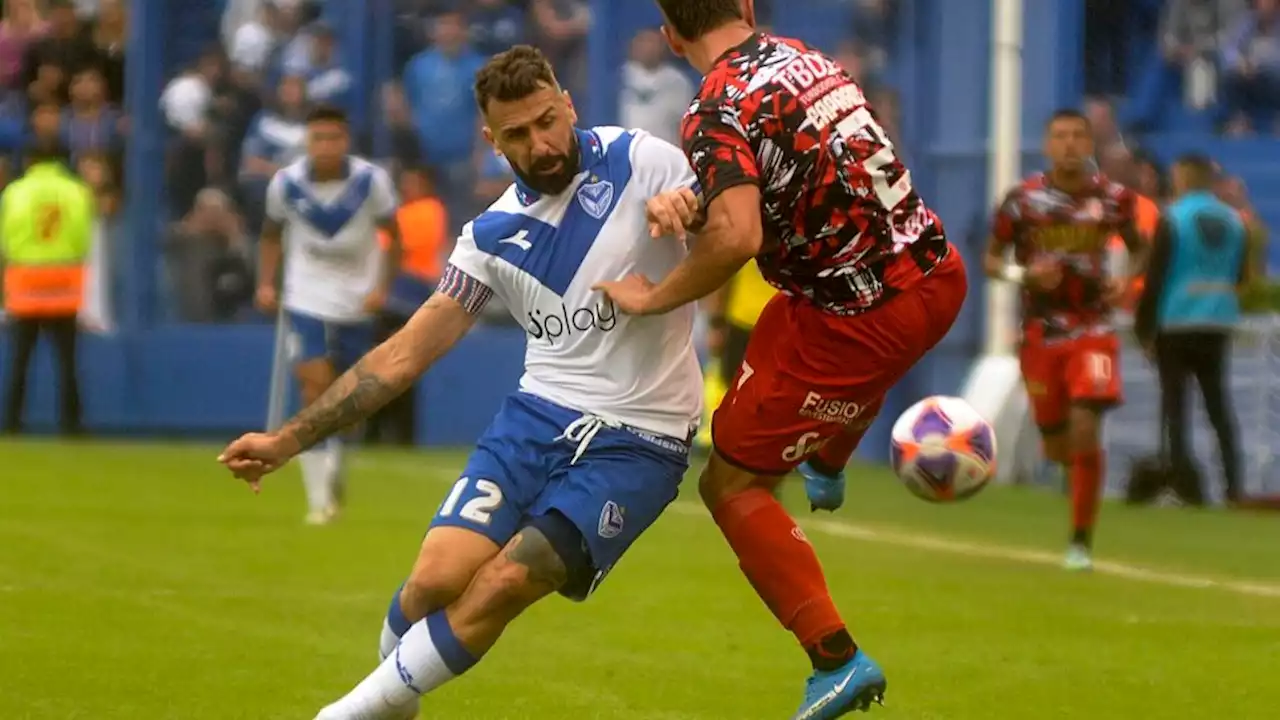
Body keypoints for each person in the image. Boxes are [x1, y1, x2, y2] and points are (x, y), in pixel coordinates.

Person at [217, 46, 703, 719]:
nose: (539, 144)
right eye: (517, 135)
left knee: (506, 580)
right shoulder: (490, 235)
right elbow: (404, 355)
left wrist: (693, 206)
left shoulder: (644, 158)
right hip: (538, 416)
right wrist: (288, 440)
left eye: (546, 121)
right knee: (433, 582)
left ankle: (347, 713)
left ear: (567, 103)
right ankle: (396, 705)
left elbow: (732, 219)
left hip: (641, 438)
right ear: (490, 140)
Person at [598, 3, 968, 717]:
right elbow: (796, 177)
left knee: (731, 486)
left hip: (858, 322)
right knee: (780, 318)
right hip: (936, 272)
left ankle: (835, 657)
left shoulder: (714, 107)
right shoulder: (805, 58)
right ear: (746, 7)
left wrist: (653, 297)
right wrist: (697, 198)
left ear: (673, 37)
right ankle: (826, 461)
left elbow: (738, 237)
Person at [985, 110, 1146, 570]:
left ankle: (1080, 541)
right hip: (1040, 333)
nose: (1070, 144)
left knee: (1084, 422)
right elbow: (992, 260)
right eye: (1061, 136)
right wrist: (1025, 274)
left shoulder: (1113, 199)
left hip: (1092, 328)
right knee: (1056, 443)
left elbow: (1139, 247)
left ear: (1091, 144)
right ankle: (1068, 473)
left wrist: (1126, 280)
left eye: (1079, 136)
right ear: (1047, 145)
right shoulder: (1022, 202)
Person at [254, 104, 402, 525]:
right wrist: (266, 282)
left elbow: (394, 237)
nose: (326, 147)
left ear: (346, 141)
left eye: (333, 138)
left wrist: (382, 288)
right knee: (314, 387)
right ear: (307, 142)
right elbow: (270, 235)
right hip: (306, 295)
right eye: (317, 139)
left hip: (357, 299)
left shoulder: (371, 182)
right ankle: (319, 501)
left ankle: (335, 456)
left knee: (352, 398)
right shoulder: (286, 184)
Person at [1135, 153, 1248, 505]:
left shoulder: (1174, 218)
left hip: (1177, 320)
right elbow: (1241, 274)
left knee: (1175, 406)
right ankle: (1233, 487)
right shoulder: (1234, 220)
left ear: (1182, 178)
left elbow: (1156, 276)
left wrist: (1144, 328)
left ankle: (1186, 487)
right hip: (1218, 320)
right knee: (1219, 406)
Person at [1, 141, 95, 436]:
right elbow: (83, 236)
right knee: (67, 360)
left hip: (26, 278)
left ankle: (12, 422)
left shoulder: (16, 191)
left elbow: (7, 234)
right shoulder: (76, 191)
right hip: (63, 280)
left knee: (20, 358)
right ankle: (72, 424)